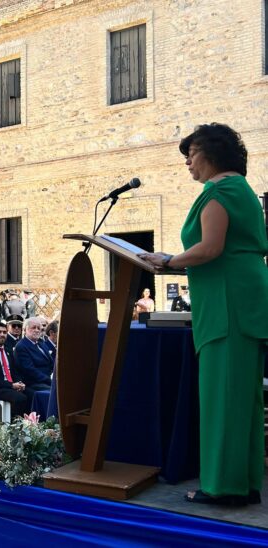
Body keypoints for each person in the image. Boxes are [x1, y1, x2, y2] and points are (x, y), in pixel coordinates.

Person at [139, 123, 268, 506]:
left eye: (191, 154)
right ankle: (244, 482)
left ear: (212, 153)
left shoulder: (220, 191)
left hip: (227, 304)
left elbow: (211, 248)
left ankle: (223, 488)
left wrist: (168, 261)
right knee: (242, 397)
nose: (188, 163)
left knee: (222, 395)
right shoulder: (240, 189)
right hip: (241, 299)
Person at [14, 318, 54, 391]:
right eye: (33, 327)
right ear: (25, 330)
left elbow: (51, 363)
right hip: (34, 384)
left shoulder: (41, 344)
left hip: (48, 380)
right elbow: (30, 371)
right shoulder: (21, 346)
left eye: (39, 328)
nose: (37, 330)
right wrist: (50, 380)